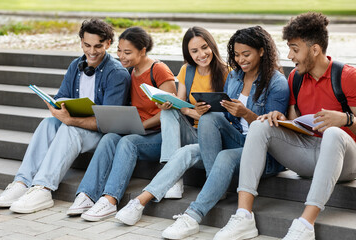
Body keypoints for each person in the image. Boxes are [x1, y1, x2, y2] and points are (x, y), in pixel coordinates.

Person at [116, 26, 290, 239]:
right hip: (234, 139)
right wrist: (203, 111)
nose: (241, 60)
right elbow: (225, 120)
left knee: (223, 157)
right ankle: (140, 201)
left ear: (262, 51)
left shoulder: (276, 82)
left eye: (246, 54)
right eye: (236, 55)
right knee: (194, 139)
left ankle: (192, 216)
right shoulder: (235, 77)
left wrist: (245, 113)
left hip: (263, 150)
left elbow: (273, 130)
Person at [214, 12, 356, 240]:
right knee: (261, 125)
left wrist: (345, 119)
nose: (289, 56)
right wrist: (278, 118)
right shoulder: (295, 78)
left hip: (346, 162)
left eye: (295, 49)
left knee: (333, 134)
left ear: (315, 49)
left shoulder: (347, 76)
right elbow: (293, 123)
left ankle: (305, 224)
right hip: (307, 156)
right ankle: (243, 216)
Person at [0, 19, 130, 214]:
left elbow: (108, 122)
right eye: (87, 45)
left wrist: (70, 120)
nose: (91, 51)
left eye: (98, 46)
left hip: (100, 133)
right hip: (76, 126)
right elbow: (61, 98)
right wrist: (55, 107)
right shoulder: (76, 65)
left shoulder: (116, 73)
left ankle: (43, 188)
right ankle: (22, 183)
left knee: (69, 129)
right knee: (48, 124)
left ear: (108, 43)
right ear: (81, 42)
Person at [114, 26, 228, 225]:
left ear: (212, 46)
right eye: (194, 51)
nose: (201, 54)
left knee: (186, 149)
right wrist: (189, 110)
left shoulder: (227, 71)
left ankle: (146, 197)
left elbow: (231, 114)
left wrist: (205, 114)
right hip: (193, 132)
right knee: (168, 110)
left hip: (216, 137)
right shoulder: (187, 70)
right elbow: (181, 105)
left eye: (204, 48)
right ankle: (173, 181)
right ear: (188, 53)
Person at [66, 26, 176, 221]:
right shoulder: (130, 71)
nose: (121, 56)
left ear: (143, 51)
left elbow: (170, 112)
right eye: (119, 51)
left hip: (158, 135)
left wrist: (141, 126)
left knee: (128, 143)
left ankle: (110, 200)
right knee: (109, 139)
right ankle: (87, 195)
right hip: (138, 130)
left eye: (127, 52)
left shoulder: (158, 70)